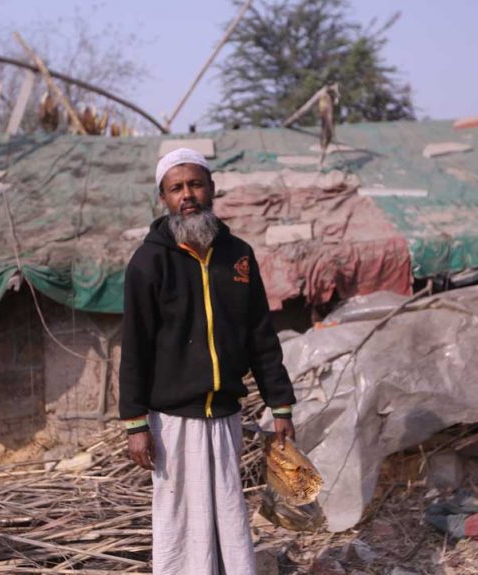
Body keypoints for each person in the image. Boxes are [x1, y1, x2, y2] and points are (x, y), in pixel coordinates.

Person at [119, 147, 297, 574]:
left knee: (228, 512)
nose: (187, 195)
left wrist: (280, 404)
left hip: (225, 415)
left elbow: (261, 335)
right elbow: (135, 345)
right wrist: (135, 424)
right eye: (176, 188)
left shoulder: (238, 256)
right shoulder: (148, 262)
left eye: (195, 184)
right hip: (172, 421)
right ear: (163, 198)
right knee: (180, 519)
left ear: (211, 189)